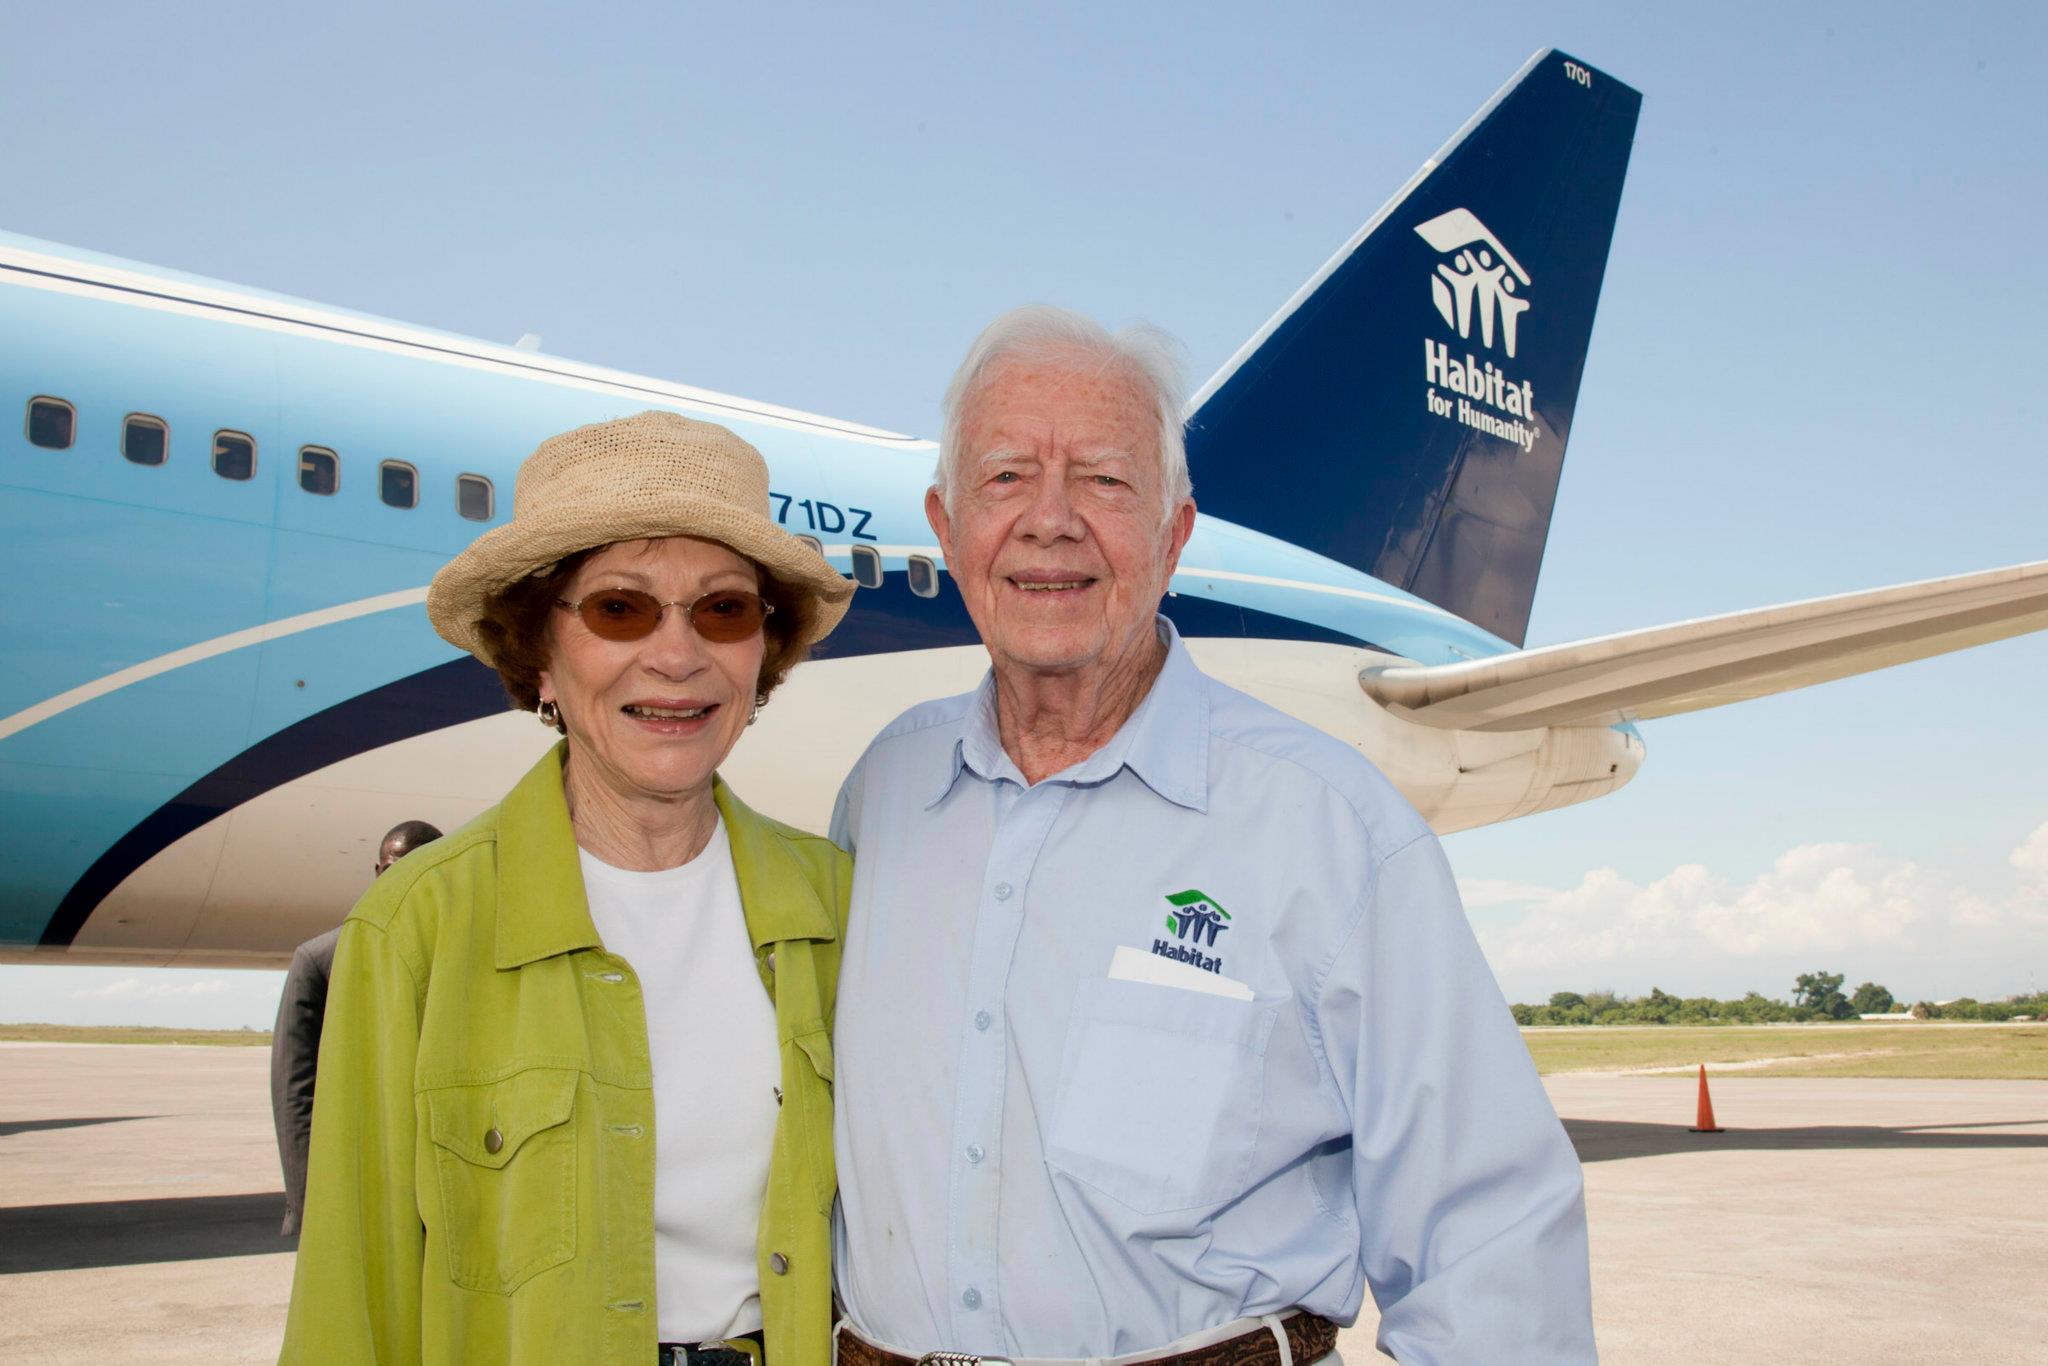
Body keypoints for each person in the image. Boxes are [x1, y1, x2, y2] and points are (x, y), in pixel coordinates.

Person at [830, 308, 1595, 1366]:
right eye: (1004, 477)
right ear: (945, 527)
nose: (1049, 520)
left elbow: (1492, 1236)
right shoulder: (881, 796)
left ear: (1174, 535)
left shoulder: (1328, 827)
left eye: (1103, 480)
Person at [280, 411, 855, 1366]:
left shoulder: (840, 905)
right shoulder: (416, 927)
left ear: (764, 654)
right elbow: (355, 1290)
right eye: (620, 609)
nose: (677, 656)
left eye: (723, 610)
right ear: (539, 655)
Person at [270, 818, 443, 1236]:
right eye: (399, 867)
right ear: (379, 872)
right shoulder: (320, 962)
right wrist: (310, 1204)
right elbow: (296, 1094)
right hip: (364, 1185)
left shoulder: (469, 958)